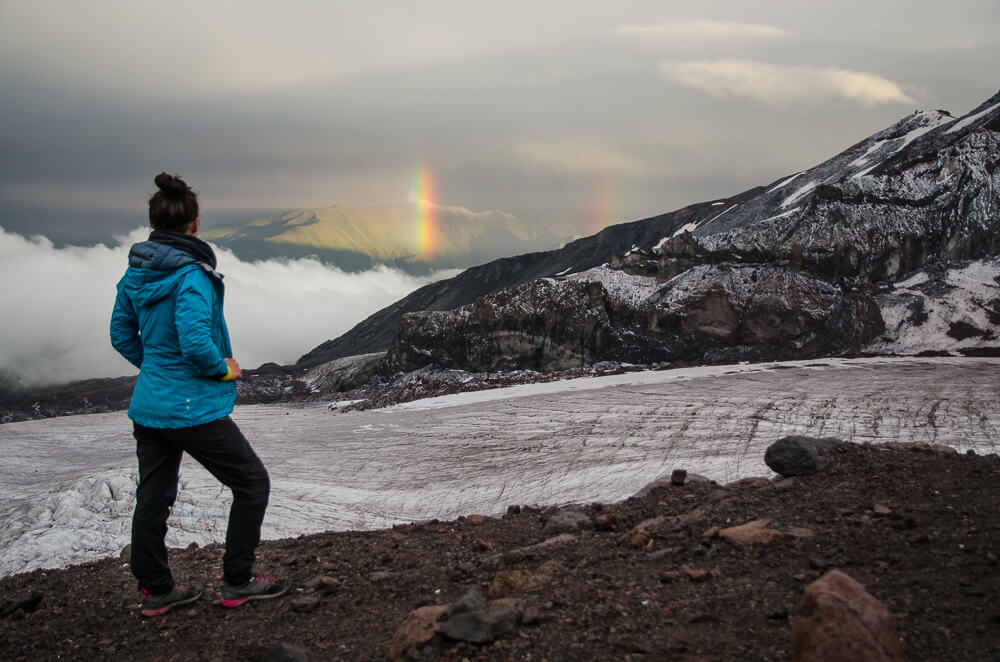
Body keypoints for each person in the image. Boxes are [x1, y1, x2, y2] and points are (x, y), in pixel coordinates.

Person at [110, 173, 288, 616]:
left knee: (153, 497)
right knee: (251, 484)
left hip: (150, 406)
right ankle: (238, 581)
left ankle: (156, 590)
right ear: (195, 224)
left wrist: (155, 369)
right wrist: (222, 370)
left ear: (154, 223)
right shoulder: (191, 276)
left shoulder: (136, 273)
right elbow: (193, 340)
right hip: (192, 409)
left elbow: (121, 335)